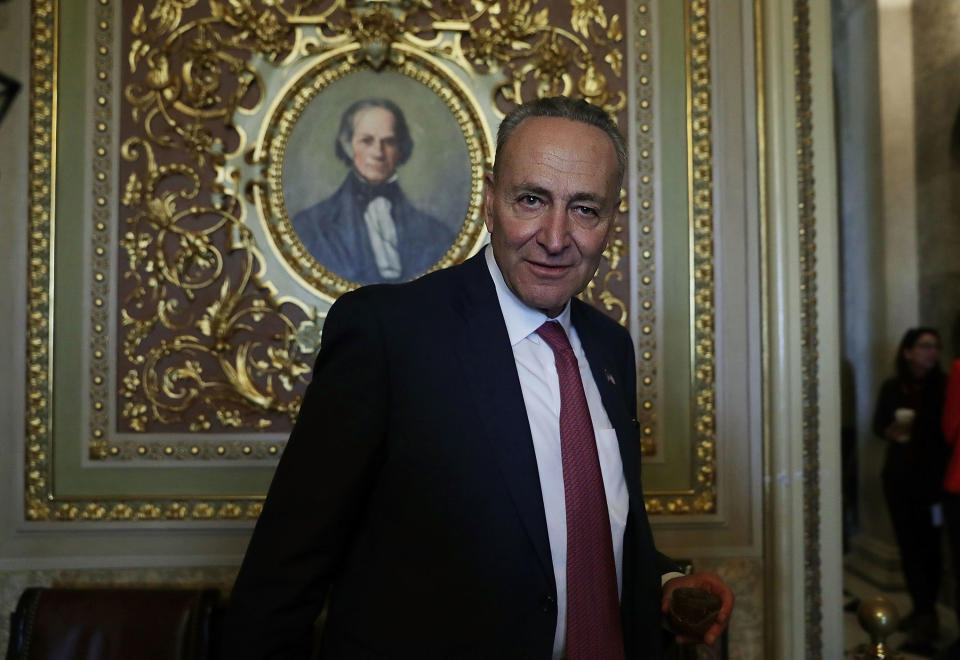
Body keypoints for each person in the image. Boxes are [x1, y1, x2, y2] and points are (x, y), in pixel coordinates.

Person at [223, 96, 734, 658]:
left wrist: (660, 584)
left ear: (612, 219)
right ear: (490, 201)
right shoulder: (389, 336)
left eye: (585, 208)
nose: (556, 237)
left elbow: (570, 522)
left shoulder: (611, 348)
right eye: (532, 200)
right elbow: (283, 577)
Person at [291, 98, 457, 285]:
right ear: (347, 145)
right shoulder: (310, 228)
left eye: (389, 142)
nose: (378, 152)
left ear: (401, 148)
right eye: (366, 141)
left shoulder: (437, 235)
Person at [872, 327, 947, 656]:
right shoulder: (893, 386)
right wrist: (892, 430)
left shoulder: (942, 386)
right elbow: (878, 426)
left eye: (936, 347)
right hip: (899, 479)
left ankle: (929, 613)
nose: (932, 352)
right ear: (908, 352)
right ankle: (919, 608)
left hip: (932, 481)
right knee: (908, 545)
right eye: (925, 346)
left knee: (930, 547)